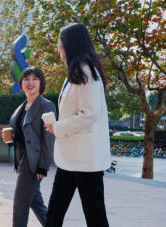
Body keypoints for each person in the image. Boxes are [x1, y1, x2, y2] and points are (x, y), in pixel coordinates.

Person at [44, 23, 110, 227]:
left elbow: (88, 115)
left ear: (69, 44)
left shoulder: (86, 71)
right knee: (55, 210)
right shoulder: (76, 71)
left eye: (60, 43)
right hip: (71, 158)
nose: (58, 48)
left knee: (95, 215)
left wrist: (58, 128)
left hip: (86, 160)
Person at [2, 67, 56, 227]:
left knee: (20, 206)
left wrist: (43, 166)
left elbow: (49, 137)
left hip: (33, 163)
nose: (30, 82)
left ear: (41, 82)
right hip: (23, 160)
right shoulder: (22, 107)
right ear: (21, 83)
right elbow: (23, 134)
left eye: (35, 79)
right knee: (36, 204)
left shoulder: (47, 105)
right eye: (26, 79)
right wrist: (11, 138)